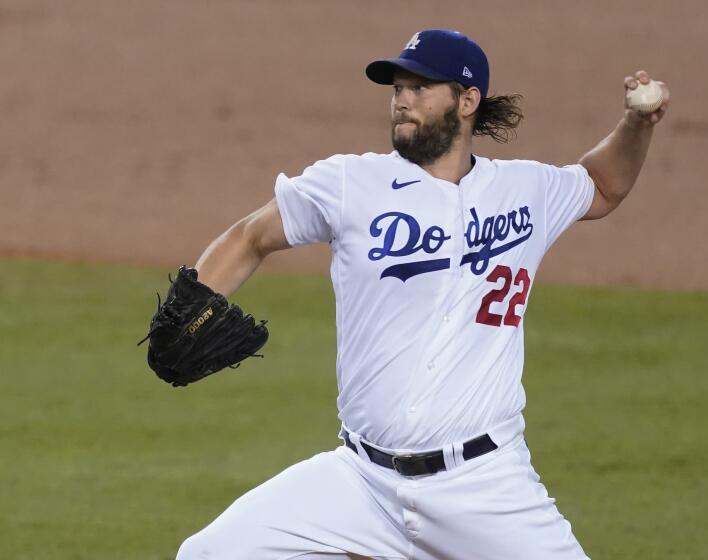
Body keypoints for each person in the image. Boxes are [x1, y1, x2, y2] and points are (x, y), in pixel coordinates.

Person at [176, 29, 669, 560]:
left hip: (483, 486)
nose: (402, 99)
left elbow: (601, 185)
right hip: (362, 483)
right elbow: (250, 236)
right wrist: (190, 310)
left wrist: (635, 124)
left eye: (419, 87)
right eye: (397, 88)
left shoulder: (526, 191)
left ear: (468, 100)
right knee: (209, 554)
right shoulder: (351, 183)